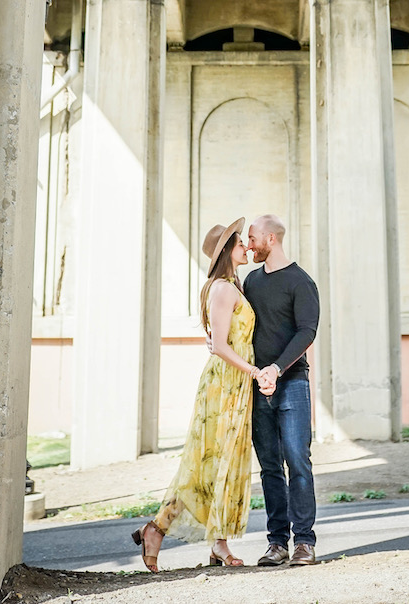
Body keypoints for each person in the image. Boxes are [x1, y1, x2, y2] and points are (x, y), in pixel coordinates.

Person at [132, 217, 270, 571]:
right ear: (227, 251)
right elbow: (220, 347)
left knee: (212, 464)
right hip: (225, 384)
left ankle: (162, 532)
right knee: (213, 463)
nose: (247, 247)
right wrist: (254, 371)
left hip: (233, 384)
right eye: (241, 243)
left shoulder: (229, 286)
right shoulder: (223, 289)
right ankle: (213, 542)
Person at [245, 214, 320, 567]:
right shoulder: (251, 281)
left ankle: (304, 541)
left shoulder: (301, 282)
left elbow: (307, 331)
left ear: (270, 239)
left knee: (297, 461)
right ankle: (277, 543)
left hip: (292, 385)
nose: (248, 244)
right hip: (257, 387)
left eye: (252, 238)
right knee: (270, 467)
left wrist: (277, 368)